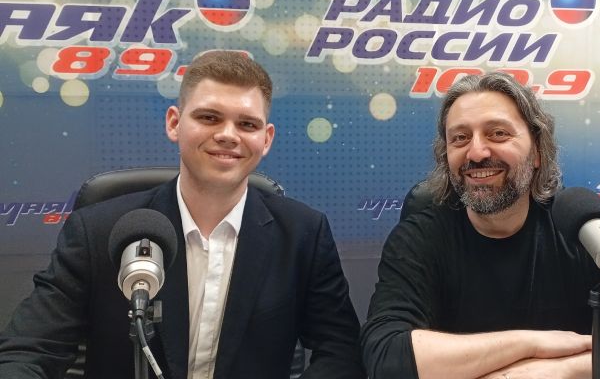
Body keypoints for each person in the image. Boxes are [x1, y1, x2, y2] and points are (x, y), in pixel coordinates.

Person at [0, 51, 366, 379]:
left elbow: (341, 351)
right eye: (209, 117)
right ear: (174, 123)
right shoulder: (96, 230)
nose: (228, 135)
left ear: (266, 138)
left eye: (247, 124)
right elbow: (30, 349)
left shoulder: (303, 234)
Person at [360, 72, 600, 379]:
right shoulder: (421, 235)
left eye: (497, 133)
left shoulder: (582, 228)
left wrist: (566, 370)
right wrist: (533, 344)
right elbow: (385, 359)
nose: (476, 152)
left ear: (537, 151)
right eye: (460, 138)